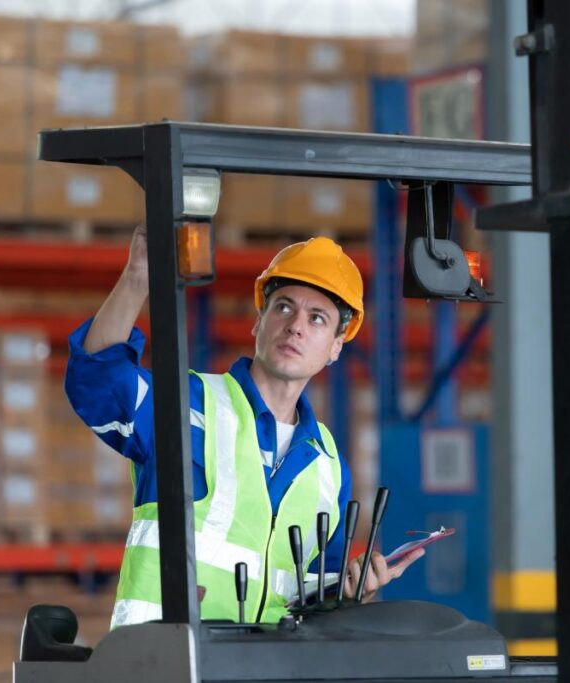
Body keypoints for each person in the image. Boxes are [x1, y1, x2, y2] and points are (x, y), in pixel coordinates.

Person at [65, 226, 424, 628]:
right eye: (284, 307)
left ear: (335, 347)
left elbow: (316, 599)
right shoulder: (189, 404)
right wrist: (136, 279)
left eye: (317, 318)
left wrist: (358, 589)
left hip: (262, 666)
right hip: (164, 661)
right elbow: (96, 381)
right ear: (259, 322)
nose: (296, 326)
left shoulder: (327, 464)